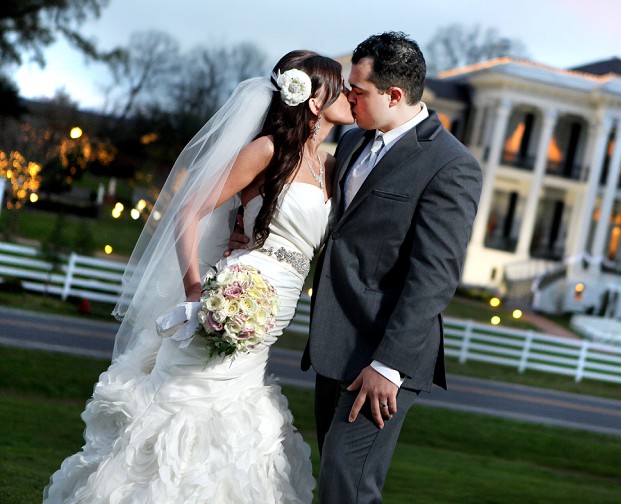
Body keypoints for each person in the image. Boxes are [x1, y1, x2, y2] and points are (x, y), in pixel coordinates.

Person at [43, 50, 354, 504]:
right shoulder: (266, 150)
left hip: (273, 317)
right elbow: (187, 211)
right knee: (187, 409)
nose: (346, 93)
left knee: (241, 427)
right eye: (338, 85)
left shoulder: (330, 167)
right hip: (233, 297)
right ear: (311, 100)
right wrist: (195, 287)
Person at [306, 31, 482, 502]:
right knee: (336, 478)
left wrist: (388, 366)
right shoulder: (350, 145)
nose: (348, 99)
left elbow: (435, 275)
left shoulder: (451, 166)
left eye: (358, 92)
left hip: (384, 359)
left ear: (395, 95)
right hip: (332, 343)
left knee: (349, 484)